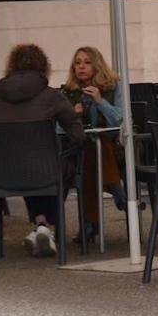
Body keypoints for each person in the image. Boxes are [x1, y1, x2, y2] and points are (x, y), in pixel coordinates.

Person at [0, 43, 85, 257]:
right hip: (44, 169)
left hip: (5, 172)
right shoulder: (53, 96)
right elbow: (78, 135)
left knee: (30, 165)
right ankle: (46, 227)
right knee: (60, 167)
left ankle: (41, 224)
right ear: (43, 66)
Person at [63, 46, 126, 242]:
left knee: (97, 146)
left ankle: (89, 226)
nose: (81, 67)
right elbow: (59, 128)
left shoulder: (113, 87)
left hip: (114, 148)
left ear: (97, 66)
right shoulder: (68, 92)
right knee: (89, 150)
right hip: (79, 150)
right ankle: (117, 190)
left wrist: (100, 102)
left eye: (87, 62)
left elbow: (120, 121)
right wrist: (73, 115)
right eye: (78, 62)